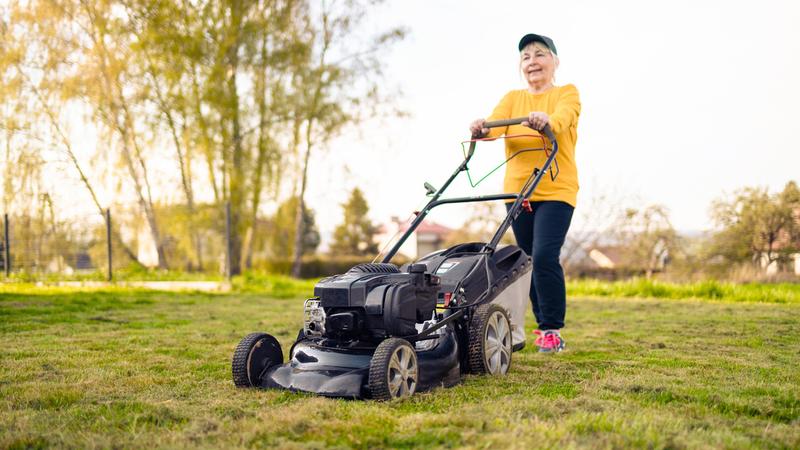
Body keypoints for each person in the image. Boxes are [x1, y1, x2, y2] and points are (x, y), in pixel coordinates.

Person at [469, 33, 580, 353]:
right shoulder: (513, 98)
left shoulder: (566, 93)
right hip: (519, 192)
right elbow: (495, 128)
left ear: (555, 62)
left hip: (556, 188)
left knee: (545, 255)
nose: (533, 61)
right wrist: (482, 127)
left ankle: (552, 330)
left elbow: (563, 119)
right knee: (529, 261)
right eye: (526, 57)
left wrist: (546, 120)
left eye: (540, 54)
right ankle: (540, 325)